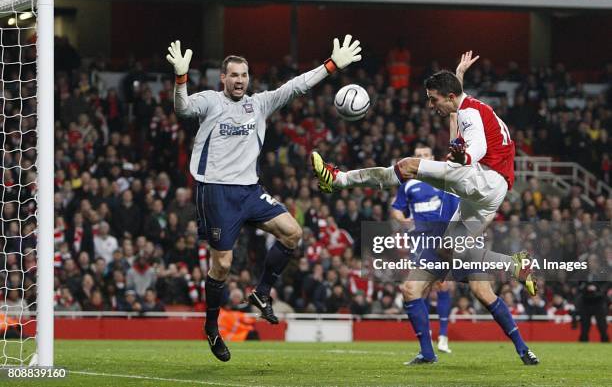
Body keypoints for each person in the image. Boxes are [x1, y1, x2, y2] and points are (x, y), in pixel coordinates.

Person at [311, 51, 539, 365]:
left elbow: (477, 146)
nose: (431, 106)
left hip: (482, 178)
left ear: (448, 97)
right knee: (449, 250)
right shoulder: (470, 105)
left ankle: (336, 180)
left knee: (405, 167)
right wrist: (458, 75)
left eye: (433, 100)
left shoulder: (470, 114)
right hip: (491, 192)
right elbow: (460, 110)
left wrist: (464, 158)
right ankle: (515, 266)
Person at [166, 35, 362, 361]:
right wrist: (181, 77)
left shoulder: (259, 104)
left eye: (244, 75)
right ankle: (212, 328)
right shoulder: (210, 101)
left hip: (250, 191)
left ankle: (261, 292)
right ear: (223, 79)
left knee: (293, 232)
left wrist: (331, 65)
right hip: (215, 192)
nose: (240, 80)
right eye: (234, 75)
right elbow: (182, 107)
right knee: (222, 266)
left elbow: (296, 86)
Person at [390, 145, 458, 354]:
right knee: (422, 289)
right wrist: (404, 220)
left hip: (442, 238)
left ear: (432, 158)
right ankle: (427, 341)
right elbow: (396, 210)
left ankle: (443, 336)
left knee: (444, 286)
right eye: (418, 156)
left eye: (425, 155)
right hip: (419, 241)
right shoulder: (408, 184)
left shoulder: (443, 180)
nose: (421, 158)